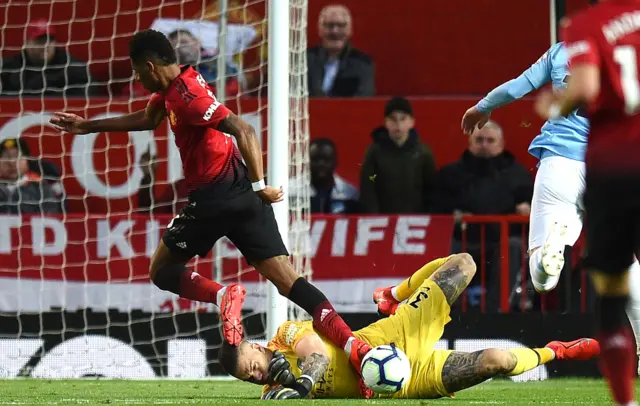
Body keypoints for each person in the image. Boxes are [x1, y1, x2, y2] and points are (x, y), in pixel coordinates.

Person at [49, 29, 373, 398]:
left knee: (162, 271)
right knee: (288, 281)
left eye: (138, 72)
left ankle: (222, 297)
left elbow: (244, 129)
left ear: (150, 67)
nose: (137, 79)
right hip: (243, 199)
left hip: (216, 198)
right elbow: (147, 118)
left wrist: (259, 184)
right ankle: (355, 349)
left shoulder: (187, 97)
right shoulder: (178, 84)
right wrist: (88, 126)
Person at [460, 36, 640, 358]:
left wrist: (482, 107)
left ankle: (550, 253)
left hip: (559, 162)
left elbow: (518, 86)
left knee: (541, 280)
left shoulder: (562, 51)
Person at [220, 253, 600, 399]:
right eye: (250, 378)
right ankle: (558, 350)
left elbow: (316, 354)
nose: (256, 375)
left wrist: (302, 385)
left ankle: (393, 292)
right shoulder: (273, 393)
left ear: (254, 346)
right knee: (496, 361)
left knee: (464, 264)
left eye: (250, 366)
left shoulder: (286, 336)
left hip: (393, 337)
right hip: (403, 381)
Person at [534, 1, 640, 404]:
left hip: (611, 169)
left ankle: (625, 401)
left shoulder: (586, 24)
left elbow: (585, 88)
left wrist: (553, 105)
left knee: (613, 291)